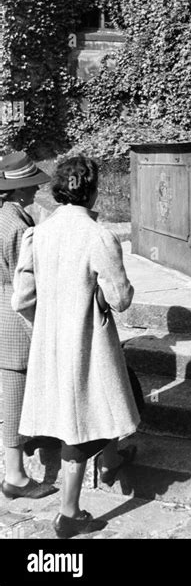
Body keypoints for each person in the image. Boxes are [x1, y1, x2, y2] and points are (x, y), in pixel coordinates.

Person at [12, 155, 140, 538]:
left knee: (98, 403)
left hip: (51, 341)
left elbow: (22, 298)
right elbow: (119, 298)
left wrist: (50, 321)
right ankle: (68, 513)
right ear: (94, 190)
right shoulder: (98, 235)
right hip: (87, 340)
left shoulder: (40, 232)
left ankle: (111, 459)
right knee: (83, 418)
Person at [0, 151, 56, 500]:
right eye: (31, 186)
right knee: (16, 393)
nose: (35, 192)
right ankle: (15, 475)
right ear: (18, 191)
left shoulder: (4, 217)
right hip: (14, 317)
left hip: (0, 311)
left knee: (11, 389)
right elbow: (26, 284)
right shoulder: (19, 227)